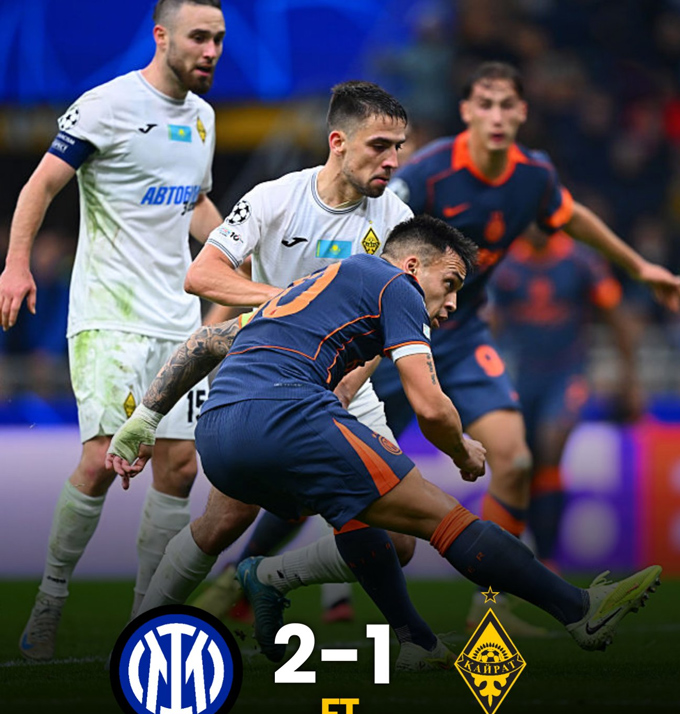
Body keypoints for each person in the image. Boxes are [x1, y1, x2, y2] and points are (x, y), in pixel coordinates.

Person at [107, 216, 662, 664]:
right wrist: (462, 450)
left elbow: (207, 341)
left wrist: (143, 421)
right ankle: (581, 609)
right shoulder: (397, 285)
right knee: (443, 519)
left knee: (360, 515)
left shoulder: (312, 286)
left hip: (219, 431)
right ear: (414, 265)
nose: (451, 304)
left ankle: (150, 631)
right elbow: (429, 406)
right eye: (449, 285)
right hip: (287, 413)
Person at [369, 61, 680, 631]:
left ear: (522, 113)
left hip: (465, 336)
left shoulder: (534, 176)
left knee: (515, 460)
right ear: (466, 111)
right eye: (484, 104)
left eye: (505, 105)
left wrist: (639, 267)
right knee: (352, 489)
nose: (496, 115)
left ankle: (489, 609)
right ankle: (251, 576)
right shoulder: (430, 172)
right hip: (396, 335)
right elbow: (371, 236)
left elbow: (574, 217)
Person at [146, 79, 422, 638]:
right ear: (338, 142)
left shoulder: (396, 217)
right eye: (380, 146)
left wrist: (349, 382)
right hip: (268, 381)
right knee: (225, 520)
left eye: (398, 147)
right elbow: (203, 274)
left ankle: (267, 575)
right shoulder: (275, 198)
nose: (393, 160)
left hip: (349, 386)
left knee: (400, 540)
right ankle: (145, 620)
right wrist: (288, 302)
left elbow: (387, 318)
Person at [0, 0, 226, 661]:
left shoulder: (205, 117)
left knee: (179, 466)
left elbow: (193, 202)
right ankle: (50, 599)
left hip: (178, 320)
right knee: (103, 458)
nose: (211, 50)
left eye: (218, 39)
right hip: (110, 315)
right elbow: (40, 186)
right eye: (198, 37)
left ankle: (147, 615)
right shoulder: (106, 105)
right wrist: (16, 265)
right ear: (161, 37)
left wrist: (238, 251)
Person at [488, 226, 642, 568]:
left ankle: (547, 559)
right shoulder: (508, 265)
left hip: (567, 374)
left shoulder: (581, 261)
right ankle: (518, 557)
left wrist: (630, 380)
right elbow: (491, 324)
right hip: (521, 375)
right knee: (520, 463)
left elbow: (617, 318)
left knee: (550, 444)